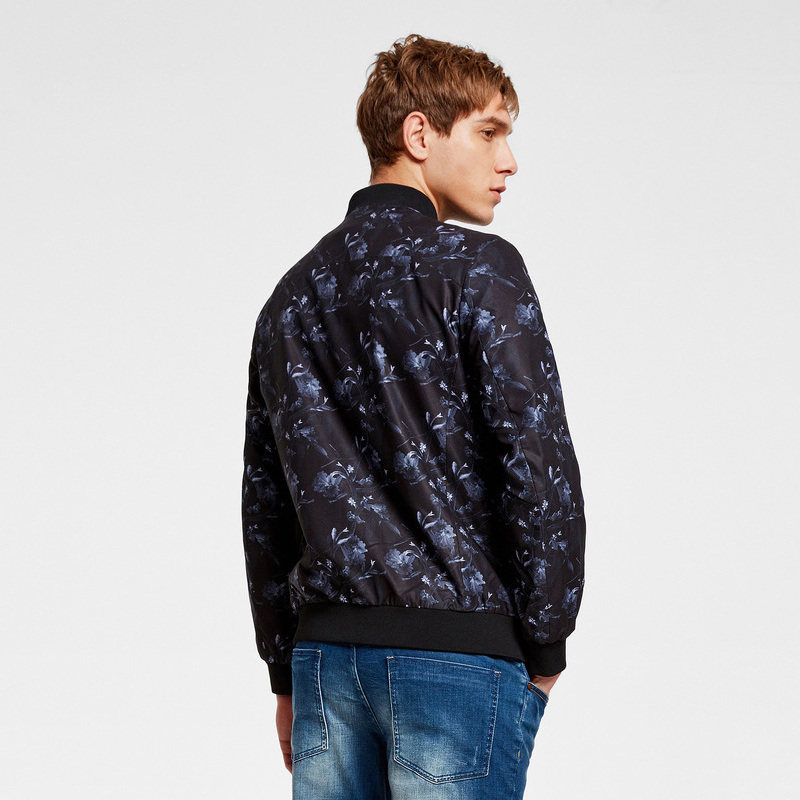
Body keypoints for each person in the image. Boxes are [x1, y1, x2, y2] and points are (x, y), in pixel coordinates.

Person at [241, 32, 586, 799]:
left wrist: (284, 671)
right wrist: (545, 647)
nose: (509, 160)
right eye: (489, 132)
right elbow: (537, 467)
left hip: (326, 663)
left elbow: (267, 504)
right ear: (419, 134)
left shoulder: (289, 298)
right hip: (455, 659)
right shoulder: (480, 269)